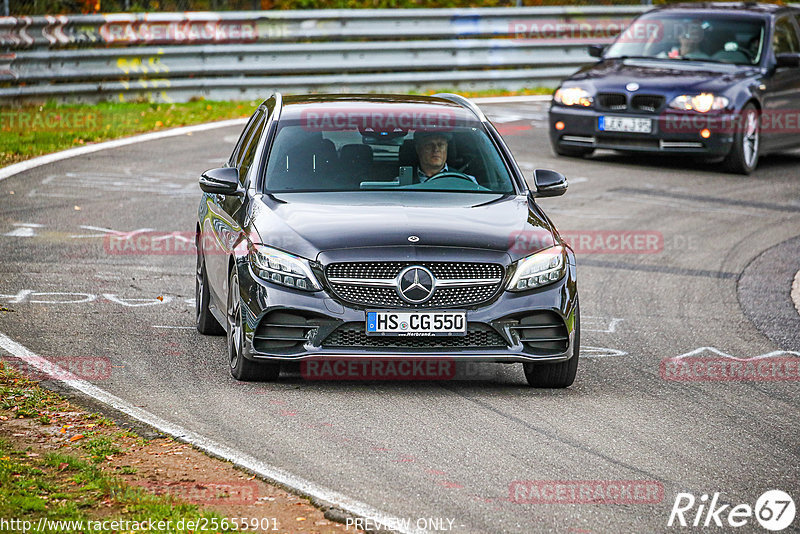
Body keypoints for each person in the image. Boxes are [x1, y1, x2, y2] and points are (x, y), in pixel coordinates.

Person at [413, 131, 478, 185]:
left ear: (447, 148)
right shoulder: (404, 181)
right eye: (429, 145)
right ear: (418, 149)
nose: (436, 149)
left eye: (441, 145)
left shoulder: (467, 182)